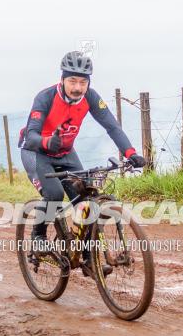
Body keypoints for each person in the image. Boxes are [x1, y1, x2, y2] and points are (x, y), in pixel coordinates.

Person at [18, 51, 145, 277]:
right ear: (63, 79)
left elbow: (112, 127)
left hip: (66, 153)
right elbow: (31, 136)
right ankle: (37, 237)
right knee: (54, 195)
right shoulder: (45, 98)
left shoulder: (91, 98)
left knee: (86, 200)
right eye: (72, 81)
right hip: (37, 153)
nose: (77, 87)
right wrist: (48, 141)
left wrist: (131, 153)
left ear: (89, 82)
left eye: (83, 82)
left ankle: (87, 258)